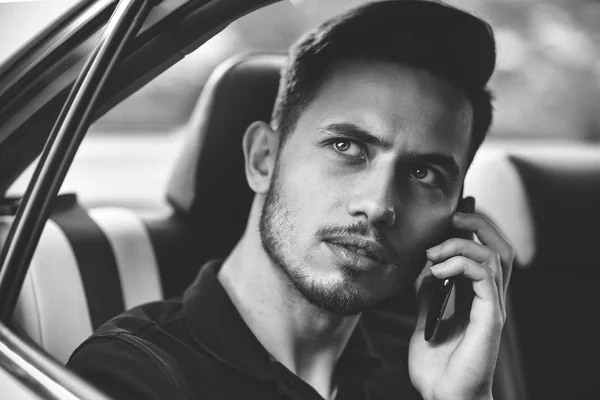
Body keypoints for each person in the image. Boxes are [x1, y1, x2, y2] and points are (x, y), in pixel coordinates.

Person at [68, 1, 514, 399]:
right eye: (346, 147)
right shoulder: (134, 375)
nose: (378, 205)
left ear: (457, 217)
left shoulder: (428, 369)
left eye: (423, 174)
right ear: (263, 159)